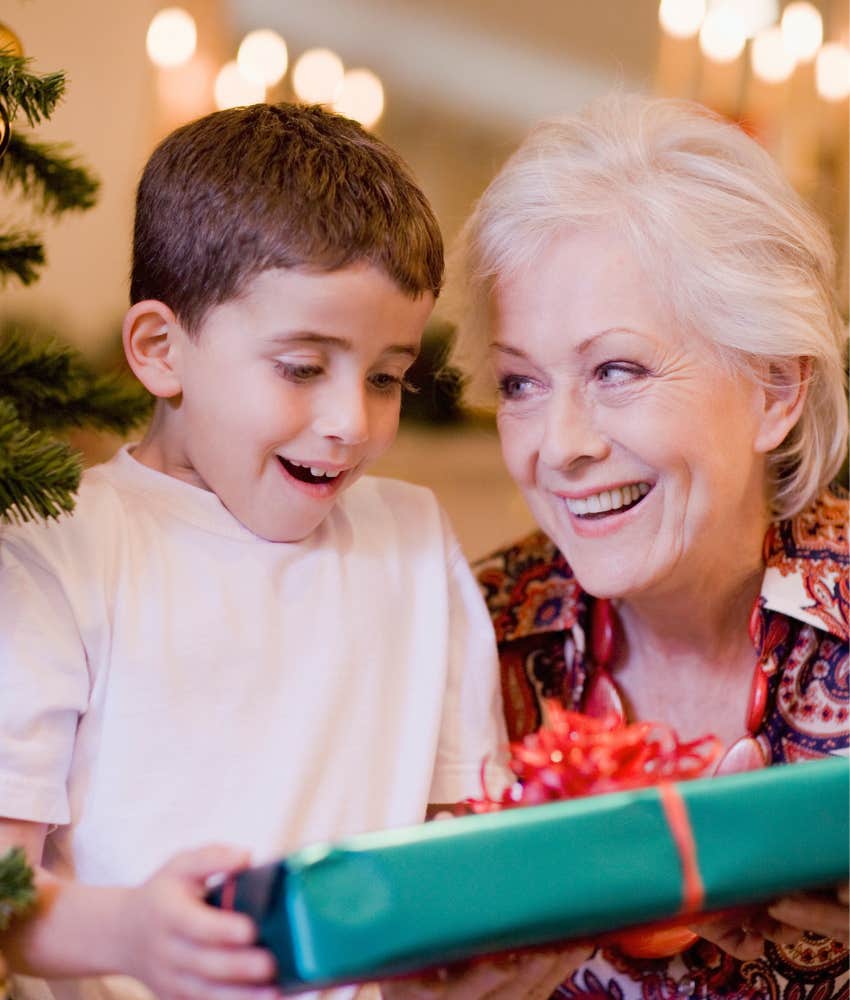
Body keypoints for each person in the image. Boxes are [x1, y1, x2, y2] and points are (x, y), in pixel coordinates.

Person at [0, 102, 519, 1000]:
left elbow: (464, 832)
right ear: (162, 350)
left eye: (388, 376)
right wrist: (129, 931)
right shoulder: (61, 548)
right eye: (303, 366)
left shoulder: (411, 542)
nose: (352, 423)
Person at [450, 93, 849, 999]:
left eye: (616, 370)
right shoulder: (462, 638)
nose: (559, 444)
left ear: (775, 388)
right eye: (520, 382)